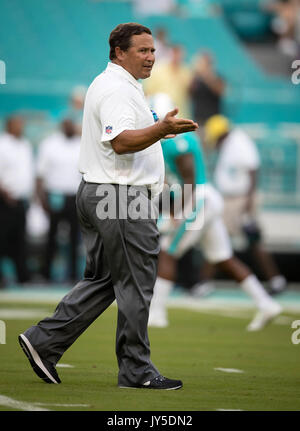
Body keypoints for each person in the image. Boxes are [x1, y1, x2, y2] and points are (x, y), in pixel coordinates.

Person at [18, 22, 198, 390]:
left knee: (104, 280)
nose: (151, 57)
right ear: (119, 52)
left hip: (103, 193)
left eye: (152, 50)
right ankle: (136, 370)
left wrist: (159, 129)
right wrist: (161, 130)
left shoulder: (116, 84)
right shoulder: (117, 88)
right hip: (121, 197)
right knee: (136, 282)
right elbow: (120, 142)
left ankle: (44, 341)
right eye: (142, 50)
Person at [148, 129, 282, 332]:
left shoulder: (175, 142)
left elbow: (190, 180)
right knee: (223, 258)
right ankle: (266, 304)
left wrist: (174, 212)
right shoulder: (175, 141)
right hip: (204, 197)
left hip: (199, 199)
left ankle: (157, 314)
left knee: (167, 250)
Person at [203, 114, 287, 295]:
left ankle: (276, 280)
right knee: (220, 237)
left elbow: (252, 171)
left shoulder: (239, 142)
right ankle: (205, 282)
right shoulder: (230, 143)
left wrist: (248, 204)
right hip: (231, 199)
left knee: (246, 240)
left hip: (240, 200)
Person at [36, 118, 82, 283]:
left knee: (74, 237)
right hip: (55, 195)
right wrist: (42, 199)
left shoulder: (81, 144)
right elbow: (40, 174)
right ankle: (46, 273)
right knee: (52, 236)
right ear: (62, 126)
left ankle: (72, 275)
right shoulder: (50, 144)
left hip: (75, 196)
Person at [0, 116, 34, 286]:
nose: (21, 126)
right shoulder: (2, 144)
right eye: (18, 123)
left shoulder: (25, 145)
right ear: (9, 125)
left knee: (20, 240)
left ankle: (23, 277)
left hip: (21, 200)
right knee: (2, 238)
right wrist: (5, 193)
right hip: (5, 200)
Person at [144, 44, 192, 118]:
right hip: (159, 114)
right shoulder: (157, 69)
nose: (177, 56)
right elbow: (147, 92)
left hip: (180, 114)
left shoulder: (186, 71)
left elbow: (189, 93)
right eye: (175, 53)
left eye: (179, 54)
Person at [189, 52, 225, 129]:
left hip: (214, 119)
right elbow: (189, 92)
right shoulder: (197, 79)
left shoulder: (217, 77)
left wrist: (206, 76)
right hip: (199, 119)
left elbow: (219, 91)